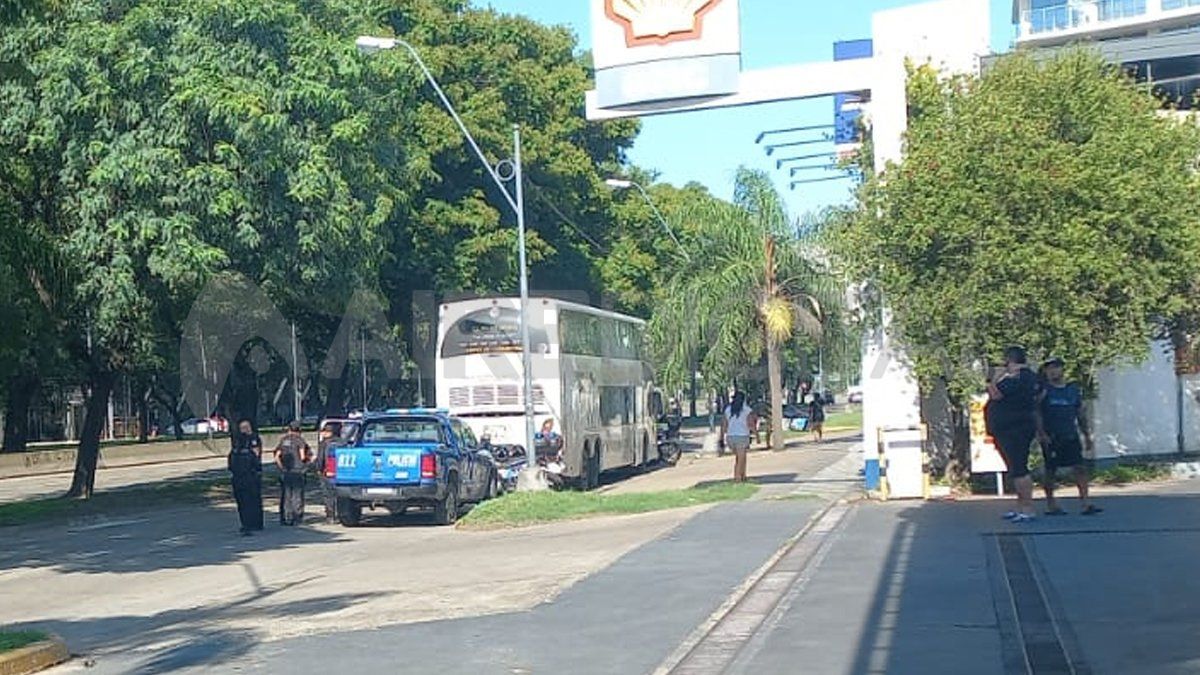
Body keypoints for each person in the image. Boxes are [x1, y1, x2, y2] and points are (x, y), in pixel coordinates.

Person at [1037, 357, 1102, 516]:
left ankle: (1086, 503)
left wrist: (1087, 435)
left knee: (1079, 467)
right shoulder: (1044, 390)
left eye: (1055, 368)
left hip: (1070, 434)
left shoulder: (1072, 390)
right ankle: (1052, 505)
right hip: (1052, 436)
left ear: (1062, 369)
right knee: (1051, 470)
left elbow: (1080, 413)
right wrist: (1041, 433)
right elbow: (1036, 413)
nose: (1052, 372)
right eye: (1049, 369)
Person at [987, 345, 1040, 523]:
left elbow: (996, 395)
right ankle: (1020, 506)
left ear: (1010, 360)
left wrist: (993, 379)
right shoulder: (1031, 376)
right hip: (1015, 427)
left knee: (1019, 468)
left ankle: (1027, 508)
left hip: (1013, 429)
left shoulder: (1018, 377)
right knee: (1015, 468)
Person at [228, 418, 264, 535]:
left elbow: (256, 456)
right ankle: (247, 523)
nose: (244, 431)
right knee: (243, 501)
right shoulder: (237, 445)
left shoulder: (253, 439)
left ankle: (255, 523)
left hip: (250, 475)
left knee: (253, 500)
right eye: (242, 428)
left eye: (246, 428)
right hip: (240, 477)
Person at [274, 421, 313, 526]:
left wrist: (282, 467)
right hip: (297, 470)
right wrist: (307, 462)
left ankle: (286, 517)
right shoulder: (300, 440)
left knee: (286, 495)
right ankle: (297, 517)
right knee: (297, 495)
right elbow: (302, 456)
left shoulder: (283, 440)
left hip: (286, 471)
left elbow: (277, 456)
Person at [721, 391, 757, 483]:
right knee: (740, 460)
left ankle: (743, 476)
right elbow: (751, 424)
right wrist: (756, 435)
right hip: (742, 436)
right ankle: (737, 478)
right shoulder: (746, 410)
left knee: (740, 458)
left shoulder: (728, 410)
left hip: (730, 437)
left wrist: (722, 437)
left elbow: (724, 425)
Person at [315, 421, 342, 523]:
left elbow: (321, 458)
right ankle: (341, 514)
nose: (322, 433)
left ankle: (331, 516)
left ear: (328, 432)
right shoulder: (342, 442)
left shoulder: (324, 443)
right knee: (339, 494)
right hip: (340, 472)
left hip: (327, 472)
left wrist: (318, 469)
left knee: (328, 495)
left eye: (323, 431)